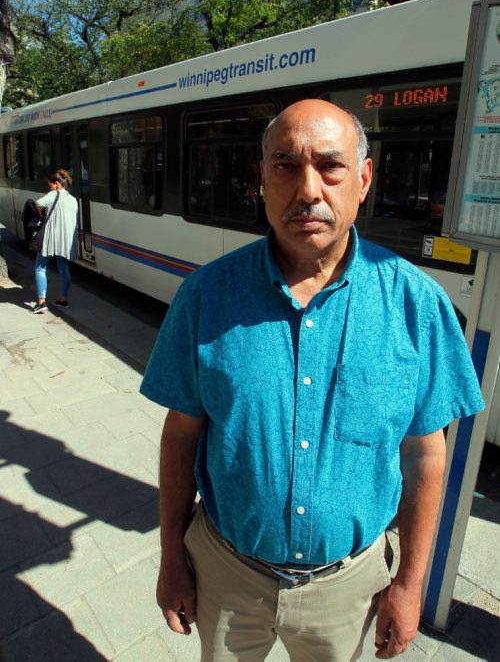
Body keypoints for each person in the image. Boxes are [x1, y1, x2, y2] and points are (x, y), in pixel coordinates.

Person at [140, 100, 484, 660]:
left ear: (364, 179)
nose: (307, 190)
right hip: (226, 576)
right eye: (284, 166)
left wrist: (410, 583)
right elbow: (181, 435)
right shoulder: (204, 296)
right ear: (262, 180)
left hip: (348, 588)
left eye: (330, 166)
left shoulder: (415, 305)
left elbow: (426, 456)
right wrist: (172, 558)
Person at [31, 169, 79, 314]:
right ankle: (63, 300)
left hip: (51, 238)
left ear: (57, 184)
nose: (49, 188)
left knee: (40, 267)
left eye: (50, 185)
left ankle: (41, 302)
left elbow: (38, 202)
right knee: (63, 268)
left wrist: (42, 213)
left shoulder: (54, 194)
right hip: (66, 240)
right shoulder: (72, 199)